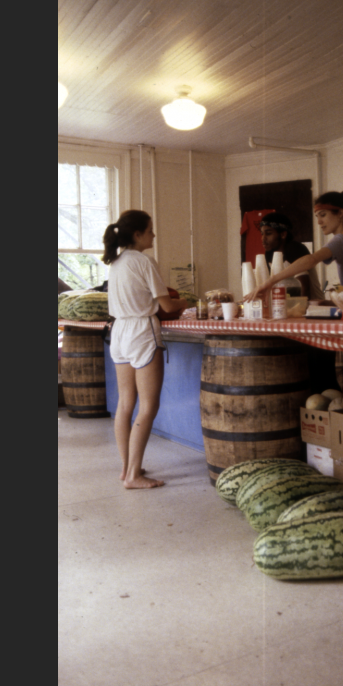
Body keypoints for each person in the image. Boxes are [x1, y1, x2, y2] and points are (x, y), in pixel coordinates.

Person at [245, 191, 343, 398]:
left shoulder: (341, 240)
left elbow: (310, 260)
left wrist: (270, 282)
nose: (319, 222)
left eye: (323, 215)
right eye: (317, 216)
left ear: (340, 213)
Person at [102, 210, 191, 489]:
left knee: (125, 404)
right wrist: (186, 301)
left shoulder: (116, 263)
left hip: (119, 333)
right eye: (150, 230)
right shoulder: (144, 261)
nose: (154, 235)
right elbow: (165, 305)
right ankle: (133, 476)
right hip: (142, 331)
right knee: (149, 405)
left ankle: (128, 468)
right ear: (138, 234)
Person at [258, 212, 324, 301]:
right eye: (262, 233)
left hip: (313, 306)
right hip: (288, 306)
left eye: (268, 233)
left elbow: (304, 286)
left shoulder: (295, 249)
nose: (263, 238)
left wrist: (301, 310)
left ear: (283, 235)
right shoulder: (269, 253)